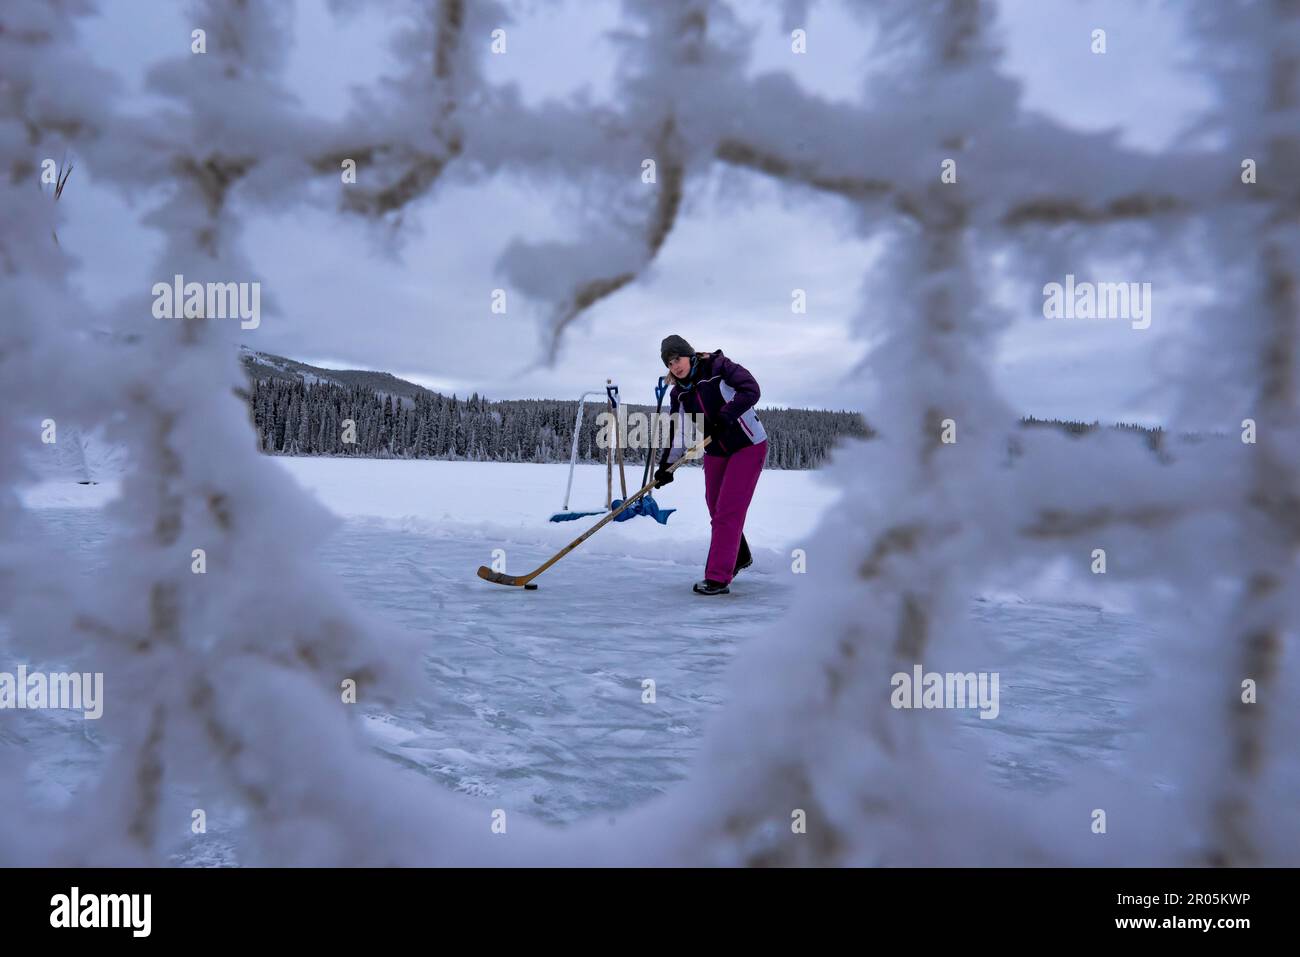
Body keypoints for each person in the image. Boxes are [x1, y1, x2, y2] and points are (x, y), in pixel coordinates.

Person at [653, 334, 767, 595]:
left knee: (728, 510)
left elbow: (751, 389)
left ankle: (718, 577)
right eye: (669, 364)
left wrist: (725, 417)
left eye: (677, 359)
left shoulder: (719, 368)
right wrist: (666, 467)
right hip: (716, 449)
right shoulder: (679, 393)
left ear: (689, 354)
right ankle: (739, 555)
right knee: (715, 506)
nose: (675, 366)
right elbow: (678, 431)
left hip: (747, 445)